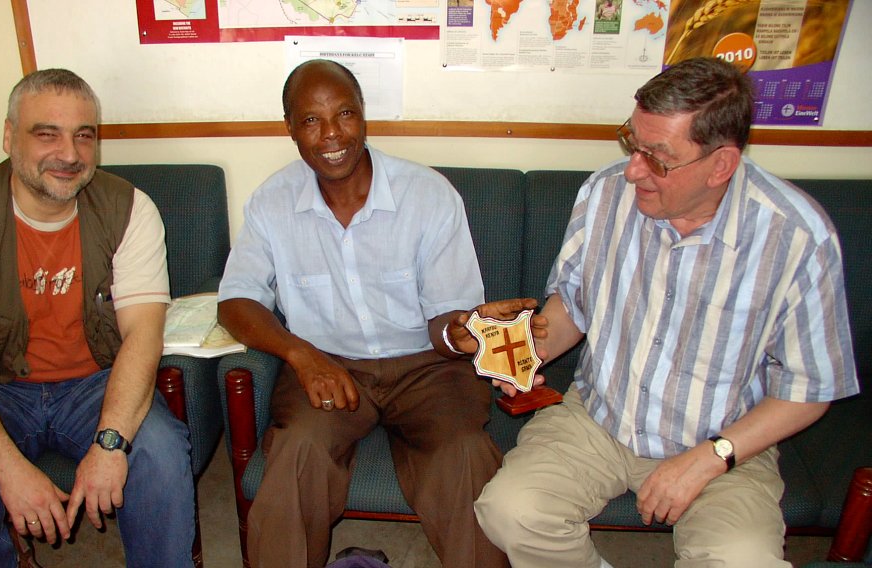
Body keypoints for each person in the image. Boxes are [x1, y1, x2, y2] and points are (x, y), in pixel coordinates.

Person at [469, 56, 859, 566]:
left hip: (722, 437)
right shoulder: (605, 194)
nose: (632, 170)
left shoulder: (797, 237)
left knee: (743, 561)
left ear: (721, 164)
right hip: (600, 416)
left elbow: (810, 390)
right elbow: (573, 306)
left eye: (657, 157)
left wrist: (712, 457)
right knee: (509, 510)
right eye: (632, 142)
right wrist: (530, 353)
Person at [217, 59, 508, 568]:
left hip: (428, 367)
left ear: (364, 116)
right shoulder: (272, 203)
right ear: (290, 129)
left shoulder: (427, 194)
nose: (332, 134)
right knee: (297, 455)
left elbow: (445, 319)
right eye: (311, 120)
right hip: (328, 365)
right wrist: (299, 354)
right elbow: (235, 301)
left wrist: (458, 332)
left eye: (345, 113)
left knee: (464, 455)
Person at [0, 69, 195, 568]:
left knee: (161, 455)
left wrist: (110, 443)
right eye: (47, 134)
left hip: (96, 383)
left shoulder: (130, 209)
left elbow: (142, 336)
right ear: (8, 136)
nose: (70, 154)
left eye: (84, 136)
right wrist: (10, 471)